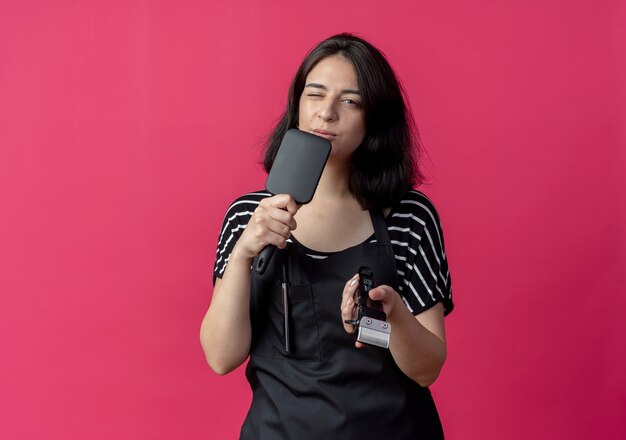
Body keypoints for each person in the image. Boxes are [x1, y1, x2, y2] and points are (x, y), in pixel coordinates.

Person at [200, 33, 453, 439]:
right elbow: (220, 356)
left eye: (350, 101)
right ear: (296, 105)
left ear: (375, 118)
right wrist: (244, 252)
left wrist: (391, 315)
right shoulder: (249, 215)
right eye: (314, 95)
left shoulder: (409, 216)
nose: (327, 113)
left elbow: (427, 368)